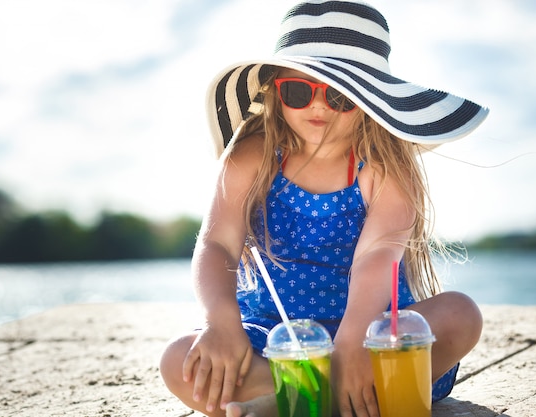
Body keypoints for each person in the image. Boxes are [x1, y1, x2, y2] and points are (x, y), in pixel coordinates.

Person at [160, 1, 488, 416]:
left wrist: (353, 344)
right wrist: (220, 323)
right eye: (299, 92)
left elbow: (376, 256)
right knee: (178, 361)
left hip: (373, 337)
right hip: (277, 340)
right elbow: (217, 245)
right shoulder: (251, 157)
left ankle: (294, 402)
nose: (318, 106)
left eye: (339, 96)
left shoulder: (384, 167)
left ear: (368, 101)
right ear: (275, 91)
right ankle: (346, 398)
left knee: (460, 314)